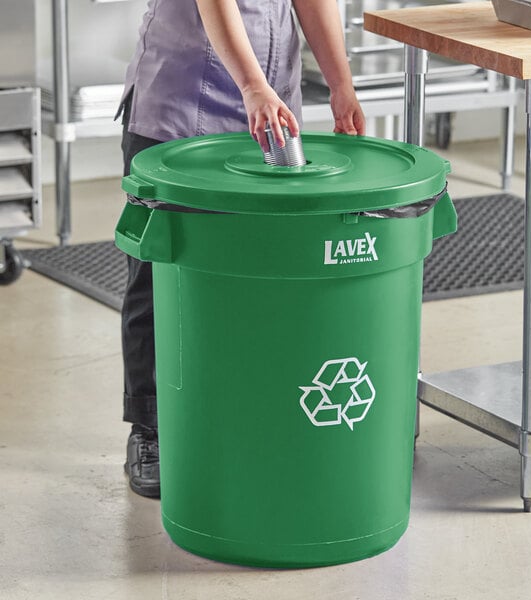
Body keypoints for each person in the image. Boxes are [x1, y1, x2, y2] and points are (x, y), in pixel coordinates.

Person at [119, 0, 366, 498]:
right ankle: (151, 429)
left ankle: (249, 416)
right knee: (159, 278)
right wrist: (253, 87)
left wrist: (341, 85)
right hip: (182, 103)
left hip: (270, 112)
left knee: (261, 275)